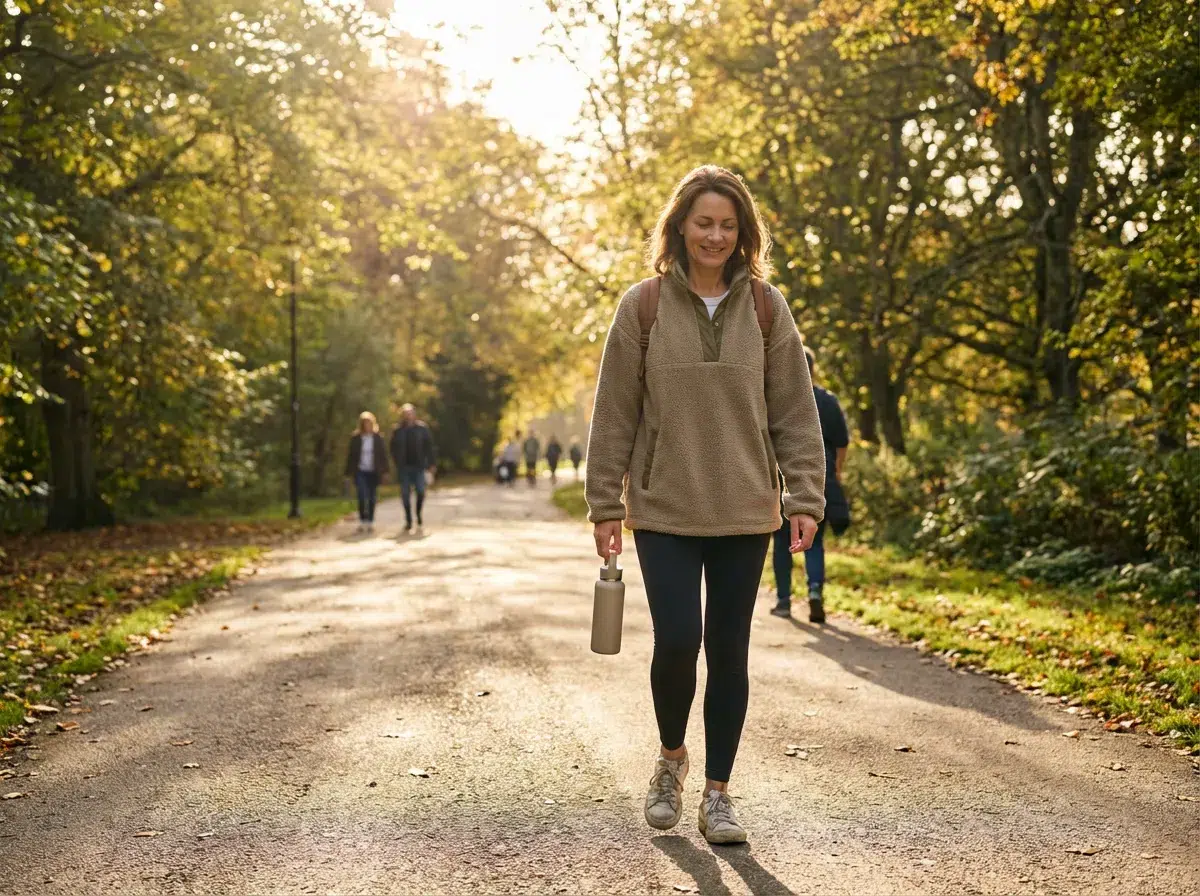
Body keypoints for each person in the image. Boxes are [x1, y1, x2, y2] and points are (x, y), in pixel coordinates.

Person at [585, 165, 826, 845]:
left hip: (745, 507)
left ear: (743, 232)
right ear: (680, 228)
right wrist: (604, 503)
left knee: (728, 649)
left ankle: (718, 794)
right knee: (676, 641)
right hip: (663, 505)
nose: (715, 236)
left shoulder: (767, 310)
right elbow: (614, 412)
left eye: (727, 224)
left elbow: (794, 411)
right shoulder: (643, 307)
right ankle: (671, 760)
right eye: (703, 223)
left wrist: (805, 495)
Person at [771, 347, 850, 623]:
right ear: (813, 369)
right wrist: (836, 474)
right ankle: (815, 591)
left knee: (782, 543)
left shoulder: (777, 399)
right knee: (814, 541)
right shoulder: (827, 401)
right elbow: (842, 444)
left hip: (784, 481)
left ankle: (783, 600)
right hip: (820, 480)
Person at [389, 403, 436, 534]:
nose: (408, 416)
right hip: (404, 467)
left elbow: (429, 447)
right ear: (403, 416)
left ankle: (418, 514)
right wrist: (396, 461)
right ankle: (408, 520)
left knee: (421, 491)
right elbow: (392, 448)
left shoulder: (422, 429)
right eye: (406, 414)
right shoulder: (397, 430)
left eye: (410, 413)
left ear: (414, 415)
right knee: (405, 494)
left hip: (419, 466)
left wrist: (431, 464)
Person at [344, 411, 389, 534]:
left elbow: (383, 455)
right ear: (361, 425)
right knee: (362, 495)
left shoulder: (377, 438)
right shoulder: (356, 439)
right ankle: (363, 520)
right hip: (360, 471)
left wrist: (385, 471)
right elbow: (351, 456)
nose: (367, 426)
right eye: (365, 423)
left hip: (374, 471)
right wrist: (347, 473)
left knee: (372, 497)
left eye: (369, 423)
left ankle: (370, 521)